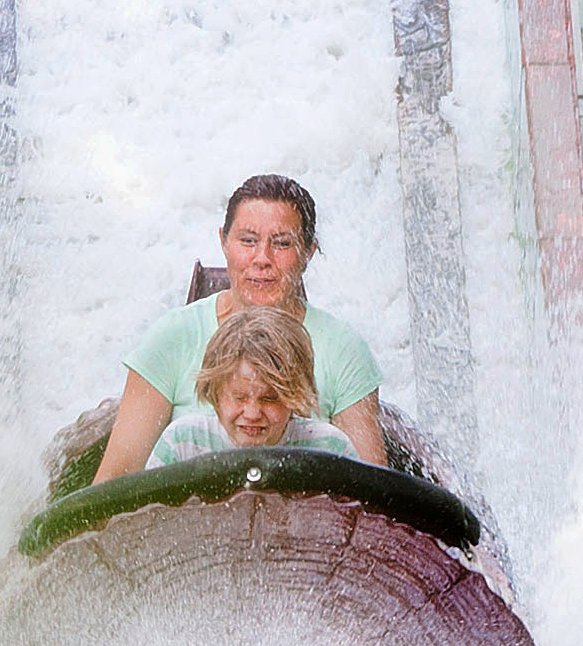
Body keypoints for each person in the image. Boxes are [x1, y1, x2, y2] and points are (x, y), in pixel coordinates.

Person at [93, 174, 390, 478]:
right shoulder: (172, 337)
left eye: (282, 243)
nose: (262, 258)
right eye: (248, 241)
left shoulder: (344, 349)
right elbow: (115, 479)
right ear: (223, 241)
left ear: (308, 252)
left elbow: (375, 497)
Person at [142, 303, 356, 466]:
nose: (252, 413)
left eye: (270, 399)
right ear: (214, 395)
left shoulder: (330, 448)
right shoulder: (182, 442)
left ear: (295, 397)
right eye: (239, 397)